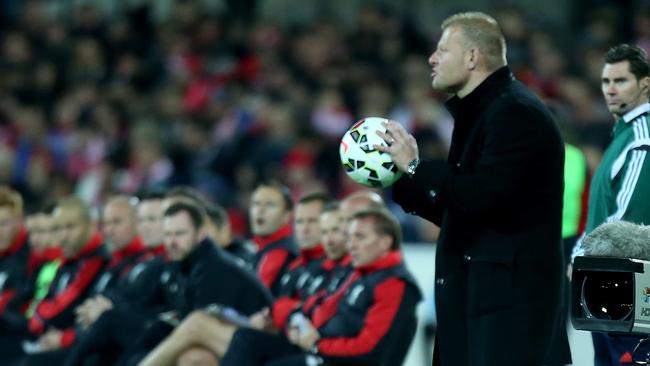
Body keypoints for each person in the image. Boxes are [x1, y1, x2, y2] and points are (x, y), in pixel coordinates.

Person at [376, 12, 571, 365]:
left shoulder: (515, 113)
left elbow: (481, 196)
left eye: (443, 50)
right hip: (480, 304)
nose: (432, 59)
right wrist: (402, 179)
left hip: (507, 311)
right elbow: (463, 210)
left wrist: (418, 167)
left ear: (472, 57)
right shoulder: (483, 113)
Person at [137, 192, 331, 366]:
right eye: (300, 221)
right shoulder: (301, 265)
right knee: (194, 359)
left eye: (312, 221)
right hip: (263, 336)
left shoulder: (215, 265)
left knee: (197, 323)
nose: (305, 229)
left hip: (281, 344)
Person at [219, 209, 422, 366]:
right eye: (350, 238)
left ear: (386, 242)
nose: (351, 245)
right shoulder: (362, 273)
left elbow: (371, 350)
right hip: (318, 348)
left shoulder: (393, 284)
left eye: (360, 237)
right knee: (247, 339)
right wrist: (298, 324)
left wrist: (317, 345)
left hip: (336, 360)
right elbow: (321, 306)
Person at [576, 44, 650, 366]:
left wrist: (581, 253)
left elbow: (626, 218)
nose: (610, 89)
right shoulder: (623, 133)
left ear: (645, 84)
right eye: (606, 82)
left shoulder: (641, 137)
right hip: (607, 280)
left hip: (626, 284)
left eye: (621, 81)